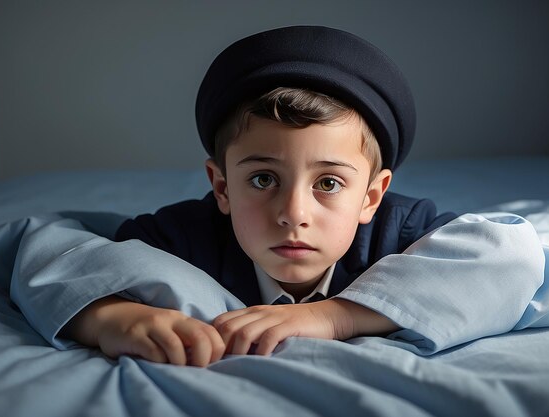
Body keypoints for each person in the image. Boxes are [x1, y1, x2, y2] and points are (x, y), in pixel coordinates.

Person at [57, 25, 456, 367]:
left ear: (371, 197)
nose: (293, 214)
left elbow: (508, 255)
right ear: (223, 187)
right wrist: (109, 317)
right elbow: (57, 257)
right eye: (264, 179)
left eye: (328, 183)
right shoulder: (186, 236)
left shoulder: (400, 230)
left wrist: (337, 317)